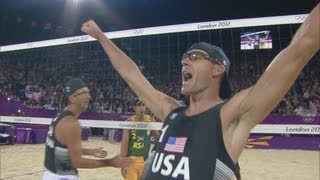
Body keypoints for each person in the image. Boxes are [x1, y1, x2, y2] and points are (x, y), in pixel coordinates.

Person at [81, 4, 319, 180]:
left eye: (195, 57)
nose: (184, 61)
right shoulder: (172, 112)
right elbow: (131, 74)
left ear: (218, 69)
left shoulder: (231, 115)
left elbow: (301, 47)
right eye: (184, 57)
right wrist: (101, 37)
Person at [43, 78, 132, 180]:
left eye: (88, 92)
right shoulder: (72, 124)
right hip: (63, 176)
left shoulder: (60, 116)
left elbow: (64, 147)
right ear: (72, 98)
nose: (89, 96)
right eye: (83, 93)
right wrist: (109, 162)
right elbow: (77, 162)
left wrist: (90, 152)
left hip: (51, 174)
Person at [120, 98, 160, 180]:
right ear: (134, 107)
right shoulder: (129, 122)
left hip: (145, 161)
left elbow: (158, 138)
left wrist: (151, 125)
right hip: (131, 161)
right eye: (139, 105)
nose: (142, 108)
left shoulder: (150, 120)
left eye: (143, 105)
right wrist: (123, 164)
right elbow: (124, 144)